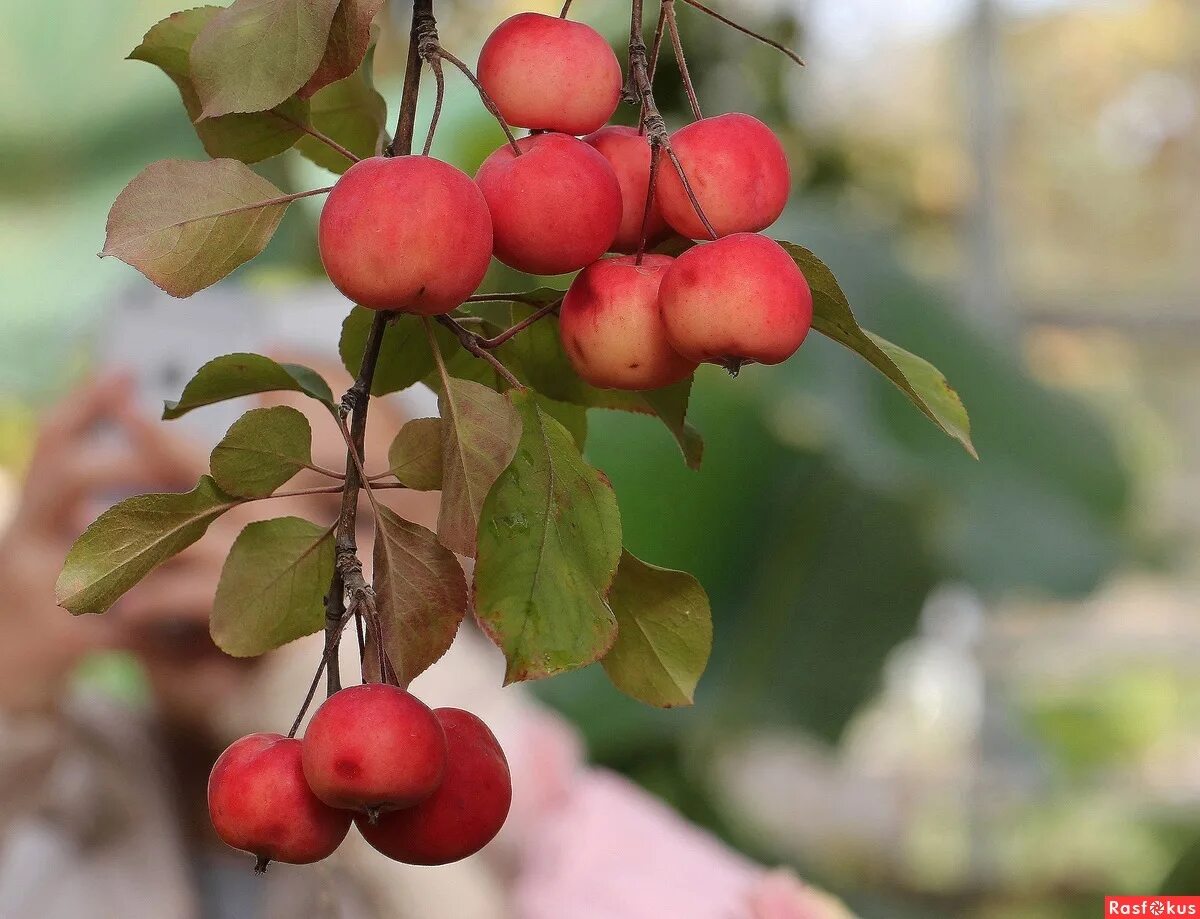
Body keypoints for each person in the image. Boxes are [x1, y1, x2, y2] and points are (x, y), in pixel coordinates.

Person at [0, 372, 852, 919]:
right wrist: (12, 681)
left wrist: (321, 687)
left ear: (466, 583)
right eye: (199, 497)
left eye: (355, 512)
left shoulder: (551, 813)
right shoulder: (61, 788)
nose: (295, 548)